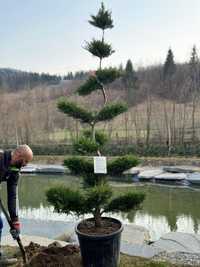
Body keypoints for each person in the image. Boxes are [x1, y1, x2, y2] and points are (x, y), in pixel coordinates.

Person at [0, 145, 33, 265]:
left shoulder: (15, 169)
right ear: (18, 155)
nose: (26, 164)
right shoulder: (1, 158)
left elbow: (12, 195)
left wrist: (15, 221)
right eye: (26, 161)